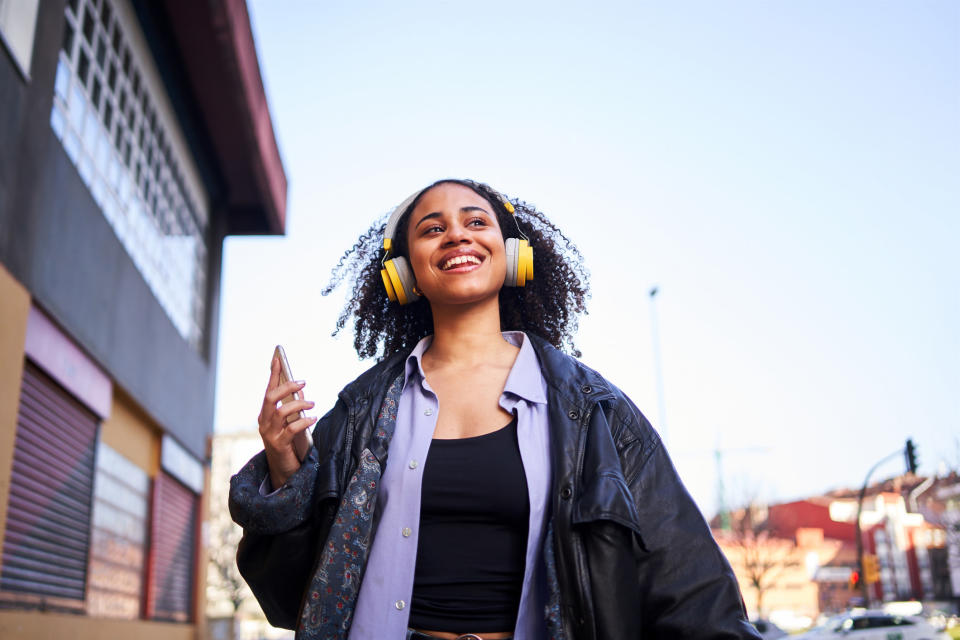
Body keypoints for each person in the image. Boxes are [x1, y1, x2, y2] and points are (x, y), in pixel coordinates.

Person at [229, 179, 761, 640]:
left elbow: (688, 585)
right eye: (432, 229)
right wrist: (285, 469)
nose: (457, 234)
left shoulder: (594, 411)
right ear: (404, 271)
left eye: (475, 221)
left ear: (511, 253)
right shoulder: (358, 414)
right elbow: (288, 599)